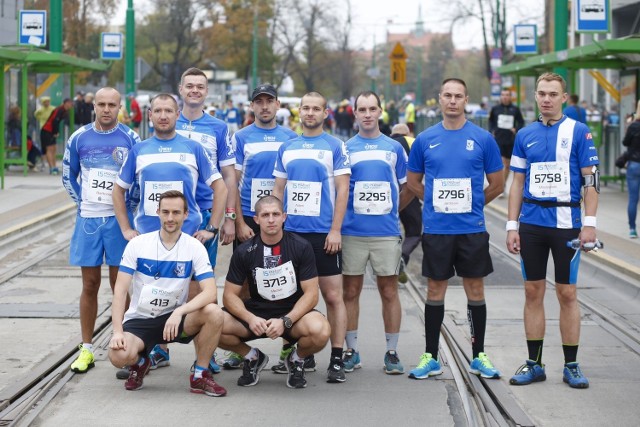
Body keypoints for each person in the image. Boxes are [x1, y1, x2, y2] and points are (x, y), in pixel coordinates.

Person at [506, 72, 599, 389]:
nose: (546, 98)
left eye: (553, 94)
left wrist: (590, 223)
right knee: (533, 292)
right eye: (541, 93)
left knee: (567, 293)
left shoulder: (579, 131)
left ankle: (571, 364)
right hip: (531, 224)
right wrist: (511, 226)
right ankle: (534, 363)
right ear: (535, 96)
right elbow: (517, 182)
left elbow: (591, 180)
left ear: (564, 97)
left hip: (567, 225)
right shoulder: (525, 134)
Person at [406, 78, 504, 380]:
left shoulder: (483, 138)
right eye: (447, 95)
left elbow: (498, 183)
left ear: (466, 100)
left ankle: (479, 355)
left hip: (471, 228)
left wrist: (473, 204)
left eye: (457, 96)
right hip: (437, 229)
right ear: (439, 99)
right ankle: (430, 356)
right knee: (435, 289)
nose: (452, 101)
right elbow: (413, 183)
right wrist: (436, 202)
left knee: (475, 289)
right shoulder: (424, 139)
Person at [153, 67, 237, 372]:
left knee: (202, 287)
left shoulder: (218, 127)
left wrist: (228, 217)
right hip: (169, 219)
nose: (195, 90)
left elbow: (228, 175)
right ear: (180, 89)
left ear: (206, 91)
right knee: (161, 283)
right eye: (189, 85)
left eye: (200, 86)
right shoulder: (165, 120)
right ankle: (159, 348)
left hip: (203, 221)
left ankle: (206, 352)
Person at [108, 191, 227, 396]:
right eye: (165, 212)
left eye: (176, 212)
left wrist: (180, 312)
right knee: (117, 356)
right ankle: (141, 362)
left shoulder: (195, 247)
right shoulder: (137, 244)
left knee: (214, 312)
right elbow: (119, 291)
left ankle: (200, 375)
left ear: (186, 214)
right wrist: (117, 331)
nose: (170, 218)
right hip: (141, 319)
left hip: (176, 320)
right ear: (158, 213)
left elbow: (209, 292)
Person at [273, 91, 351, 383]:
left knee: (332, 296)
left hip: (322, 235)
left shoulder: (335, 146)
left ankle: (337, 358)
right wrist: (276, 228)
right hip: (291, 234)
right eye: (305, 108)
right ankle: (299, 355)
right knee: (293, 296)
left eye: (316, 109)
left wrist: (335, 229)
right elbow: (278, 190)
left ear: (325, 113)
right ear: (299, 112)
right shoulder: (287, 147)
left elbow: (343, 190)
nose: (310, 113)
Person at [62, 87, 141, 374]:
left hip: (119, 223)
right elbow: (67, 174)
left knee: (120, 285)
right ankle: (86, 348)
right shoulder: (78, 137)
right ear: (94, 106)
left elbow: (138, 178)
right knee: (90, 284)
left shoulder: (131, 138)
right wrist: (82, 202)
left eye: (112, 105)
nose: (106, 109)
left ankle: (130, 343)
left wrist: (127, 209)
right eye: (101, 104)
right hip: (89, 221)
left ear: (120, 107)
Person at [218, 196, 330, 389]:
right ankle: (252, 357)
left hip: (291, 314)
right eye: (265, 215)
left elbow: (311, 295)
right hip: (256, 313)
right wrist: (250, 318)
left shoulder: (301, 246)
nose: (271, 219)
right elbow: (229, 296)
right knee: (212, 325)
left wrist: (286, 320)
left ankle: (296, 360)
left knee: (321, 331)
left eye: (276, 214)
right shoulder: (244, 251)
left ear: (284, 217)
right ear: (256, 219)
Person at [341, 91, 412, 375]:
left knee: (389, 290)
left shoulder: (394, 148)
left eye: (372, 109)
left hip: (385, 232)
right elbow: (340, 188)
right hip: (352, 232)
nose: (367, 114)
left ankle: (392, 352)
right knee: (351, 291)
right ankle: (351, 350)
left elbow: (407, 186)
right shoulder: (345, 148)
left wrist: (394, 210)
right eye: (362, 109)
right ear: (355, 113)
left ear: (380, 112)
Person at [390, 123, 421, 283]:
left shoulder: (386, 143)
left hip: (388, 195)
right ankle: (401, 257)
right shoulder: (413, 141)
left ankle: (389, 262)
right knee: (414, 233)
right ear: (408, 132)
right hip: (409, 194)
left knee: (388, 234)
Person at [488, 89, 525, 195]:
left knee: (507, 166)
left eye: (507, 95)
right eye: (503, 95)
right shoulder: (495, 109)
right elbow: (490, 121)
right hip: (498, 139)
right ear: (500, 96)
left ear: (510, 97)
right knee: (502, 164)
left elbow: (521, 122)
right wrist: (492, 130)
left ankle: (502, 186)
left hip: (510, 140)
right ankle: (500, 187)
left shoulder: (515, 109)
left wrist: (516, 129)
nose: (505, 97)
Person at [40, 97, 73, 175]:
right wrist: (56, 132)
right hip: (47, 131)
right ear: (66, 103)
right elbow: (55, 121)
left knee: (54, 148)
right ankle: (51, 168)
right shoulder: (59, 110)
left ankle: (54, 166)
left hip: (51, 131)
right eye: (70, 103)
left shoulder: (64, 111)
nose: (71, 105)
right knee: (49, 149)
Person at [623, 100, 640, 239]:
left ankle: (633, 229)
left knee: (633, 199)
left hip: (634, 165)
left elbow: (625, 142)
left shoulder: (634, 126)